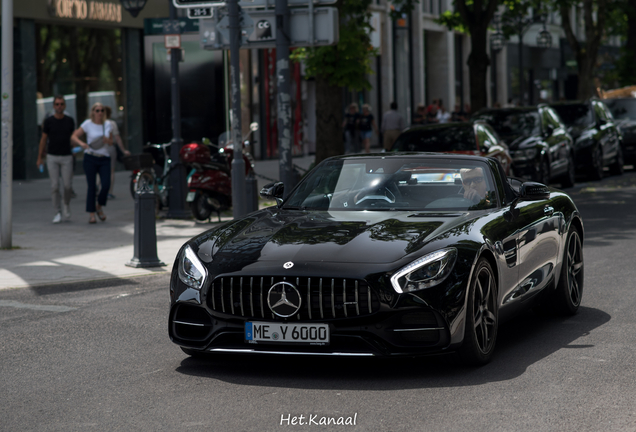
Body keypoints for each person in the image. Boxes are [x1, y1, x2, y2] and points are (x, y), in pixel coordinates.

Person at [71, 103, 114, 224]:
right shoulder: (87, 124)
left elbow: (111, 142)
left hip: (104, 158)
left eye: (102, 110)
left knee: (106, 185)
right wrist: (82, 144)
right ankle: (91, 214)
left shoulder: (108, 124)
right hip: (90, 157)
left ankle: (99, 206)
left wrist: (108, 141)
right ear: (93, 112)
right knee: (91, 186)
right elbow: (74, 136)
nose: (100, 112)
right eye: (97, 110)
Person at [37, 95, 76, 223]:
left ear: (64, 106)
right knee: (54, 186)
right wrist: (39, 157)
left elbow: (73, 137)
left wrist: (75, 148)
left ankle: (66, 205)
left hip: (67, 156)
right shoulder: (49, 121)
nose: (59, 106)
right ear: (54, 106)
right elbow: (43, 139)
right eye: (57, 104)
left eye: (61, 104)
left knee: (67, 185)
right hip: (52, 156)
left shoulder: (70, 120)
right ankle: (57, 212)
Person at [104, 106, 131, 199]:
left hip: (100, 149)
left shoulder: (98, 124)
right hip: (110, 148)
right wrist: (123, 150)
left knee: (100, 170)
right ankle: (109, 192)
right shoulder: (112, 123)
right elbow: (117, 138)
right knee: (111, 171)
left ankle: (99, 188)